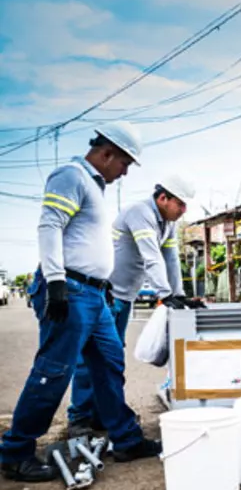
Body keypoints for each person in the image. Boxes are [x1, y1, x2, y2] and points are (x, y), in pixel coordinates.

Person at [1, 122, 161, 482]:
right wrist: (56, 281)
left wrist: (102, 284)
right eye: (124, 164)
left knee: (109, 362)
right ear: (106, 153)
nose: (125, 172)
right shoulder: (71, 176)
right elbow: (50, 225)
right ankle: (15, 452)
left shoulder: (94, 187)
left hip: (94, 293)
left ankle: (126, 439)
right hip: (70, 289)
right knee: (54, 370)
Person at [67, 176, 201, 436]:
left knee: (110, 358)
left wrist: (179, 294)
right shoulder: (140, 212)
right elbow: (151, 256)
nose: (183, 210)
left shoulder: (168, 224)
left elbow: (170, 258)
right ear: (163, 198)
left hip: (124, 296)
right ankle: (80, 417)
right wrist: (165, 294)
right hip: (105, 294)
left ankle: (102, 414)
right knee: (90, 357)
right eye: (180, 204)